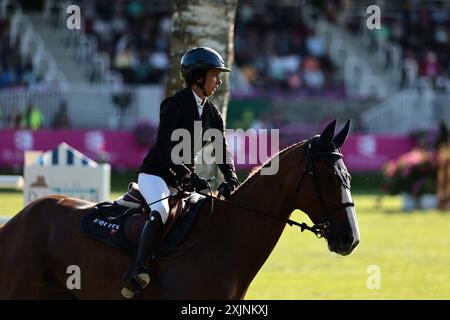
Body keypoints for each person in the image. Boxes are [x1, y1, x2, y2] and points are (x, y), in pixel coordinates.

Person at [121, 47, 240, 298]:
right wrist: (187, 175)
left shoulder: (211, 113)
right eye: (215, 75)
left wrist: (231, 179)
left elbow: (221, 150)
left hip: (182, 182)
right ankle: (137, 269)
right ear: (198, 76)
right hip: (155, 175)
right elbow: (165, 147)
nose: (219, 81)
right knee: (162, 211)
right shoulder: (174, 104)